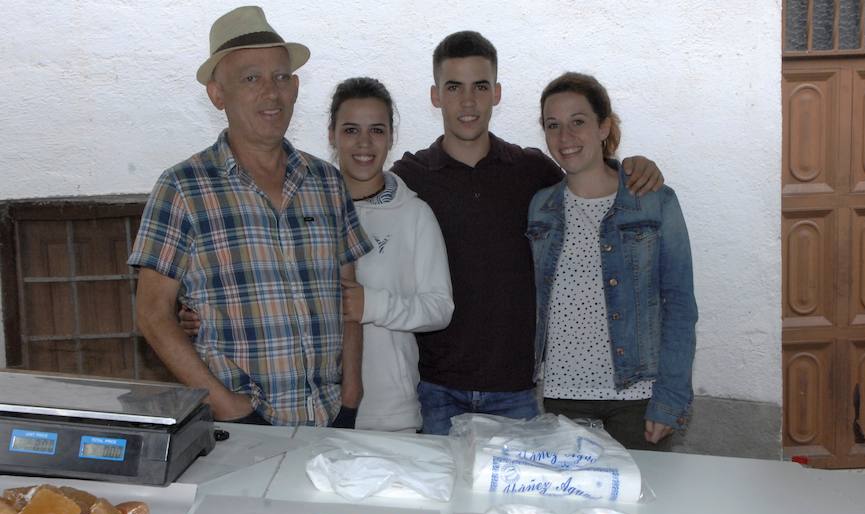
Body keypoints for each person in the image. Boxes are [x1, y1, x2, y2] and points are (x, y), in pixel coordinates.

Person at [391, 31, 665, 435]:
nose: (468, 102)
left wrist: (633, 166)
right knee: (446, 497)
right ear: (435, 96)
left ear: (497, 93)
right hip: (434, 388)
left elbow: (591, 183)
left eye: (480, 86)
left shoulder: (532, 170)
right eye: (454, 87)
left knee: (514, 500)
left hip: (517, 391)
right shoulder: (410, 177)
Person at [128, 6, 371, 427]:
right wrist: (227, 406)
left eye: (280, 77)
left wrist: (351, 393)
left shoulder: (328, 183)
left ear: (295, 87)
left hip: (330, 420)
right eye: (251, 78)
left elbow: (347, 291)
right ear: (217, 94)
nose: (271, 93)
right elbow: (152, 313)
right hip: (238, 427)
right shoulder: (182, 188)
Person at [528, 72, 697, 449]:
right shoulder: (540, 207)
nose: (565, 137)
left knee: (644, 505)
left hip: (637, 400)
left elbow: (680, 305)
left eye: (578, 122)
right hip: (561, 398)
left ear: (604, 126)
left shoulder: (654, 201)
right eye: (553, 125)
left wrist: (670, 399)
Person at [329, 77, 454, 431]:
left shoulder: (414, 214)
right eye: (351, 129)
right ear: (332, 134)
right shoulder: (307, 209)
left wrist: (372, 305)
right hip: (307, 412)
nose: (364, 143)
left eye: (377, 130)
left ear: (391, 137)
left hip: (390, 417)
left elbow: (440, 308)